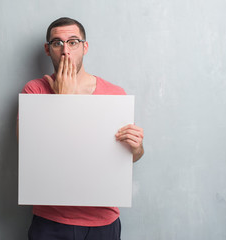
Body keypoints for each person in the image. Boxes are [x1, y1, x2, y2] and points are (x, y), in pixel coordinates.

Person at [18, 17, 144, 240]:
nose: (65, 50)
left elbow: (125, 158)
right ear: (48, 50)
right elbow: (30, 151)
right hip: (52, 220)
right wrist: (63, 100)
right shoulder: (35, 91)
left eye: (73, 42)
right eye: (57, 43)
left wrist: (137, 148)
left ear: (85, 47)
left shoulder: (115, 94)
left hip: (103, 220)